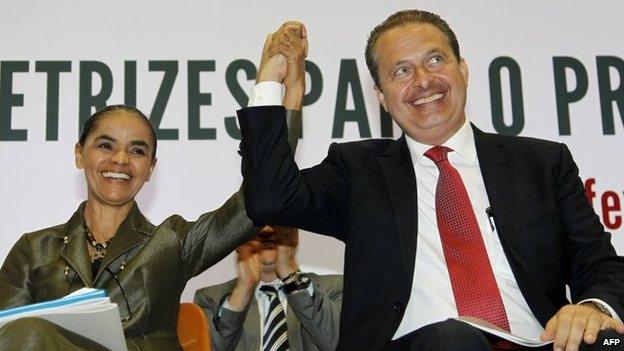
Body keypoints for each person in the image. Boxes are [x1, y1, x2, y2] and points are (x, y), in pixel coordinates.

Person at [237, 12, 624, 351]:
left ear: (463, 70)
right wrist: (273, 82)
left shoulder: (542, 163)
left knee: (608, 341)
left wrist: (593, 308)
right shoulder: (358, 170)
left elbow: (602, 266)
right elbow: (270, 198)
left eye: (435, 60)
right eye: (401, 71)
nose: (423, 81)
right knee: (454, 339)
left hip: (540, 340)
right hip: (424, 343)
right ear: (383, 98)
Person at [0, 34, 306, 350]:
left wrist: (276, 88)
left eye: (137, 151)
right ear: (80, 154)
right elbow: (8, 336)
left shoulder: (170, 242)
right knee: (28, 331)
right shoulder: (33, 250)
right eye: (106, 145)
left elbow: (255, 203)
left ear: (150, 168)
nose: (119, 159)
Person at [194, 225, 342, 351]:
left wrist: (290, 274)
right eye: (258, 224)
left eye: (276, 223)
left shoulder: (334, 288)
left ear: (294, 235)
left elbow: (337, 343)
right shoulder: (209, 299)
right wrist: (243, 291)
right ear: (237, 240)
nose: (267, 230)